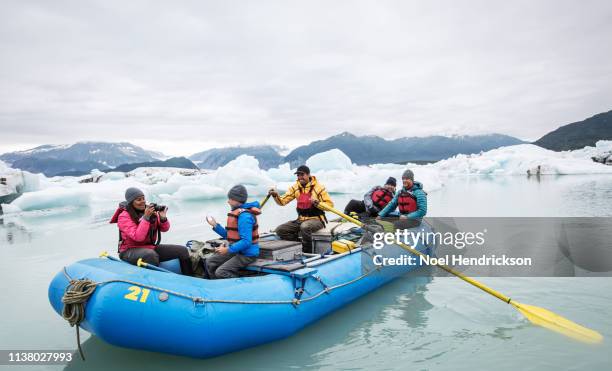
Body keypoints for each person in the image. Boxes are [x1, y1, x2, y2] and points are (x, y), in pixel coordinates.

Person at [110, 187, 194, 276]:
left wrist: (162, 218)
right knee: (150, 255)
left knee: (182, 251)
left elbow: (164, 229)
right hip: (129, 251)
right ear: (131, 202)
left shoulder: (149, 211)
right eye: (139, 199)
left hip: (149, 247)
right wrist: (146, 218)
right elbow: (138, 237)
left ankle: (189, 278)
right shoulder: (124, 216)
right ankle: (154, 282)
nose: (143, 201)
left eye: (143, 198)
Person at [268, 165, 334, 252]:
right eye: (298, 175)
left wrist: (318, 203)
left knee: (305, 227)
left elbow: (330, 206)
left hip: (317, 220)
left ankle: (307, 252)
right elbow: (282, 202)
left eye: (302, 175)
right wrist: (275, 195)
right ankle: (299, 246)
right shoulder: (295, 188)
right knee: (280, 230)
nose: (300, 177)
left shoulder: (319, 188)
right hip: (300, 219)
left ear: (308, 175)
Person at [205, 185, 260, 279]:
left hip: (247, 255)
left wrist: (227, 249)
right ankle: (215, 285)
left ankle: (241, 285)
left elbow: (246, 241)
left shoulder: (245, 217)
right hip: (237, 251)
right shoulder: (238, 213)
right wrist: (215, 225)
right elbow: (230, 235)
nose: (228, 201)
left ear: (236, 200)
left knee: (221, 272)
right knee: (210, 261)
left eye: (230, 199)